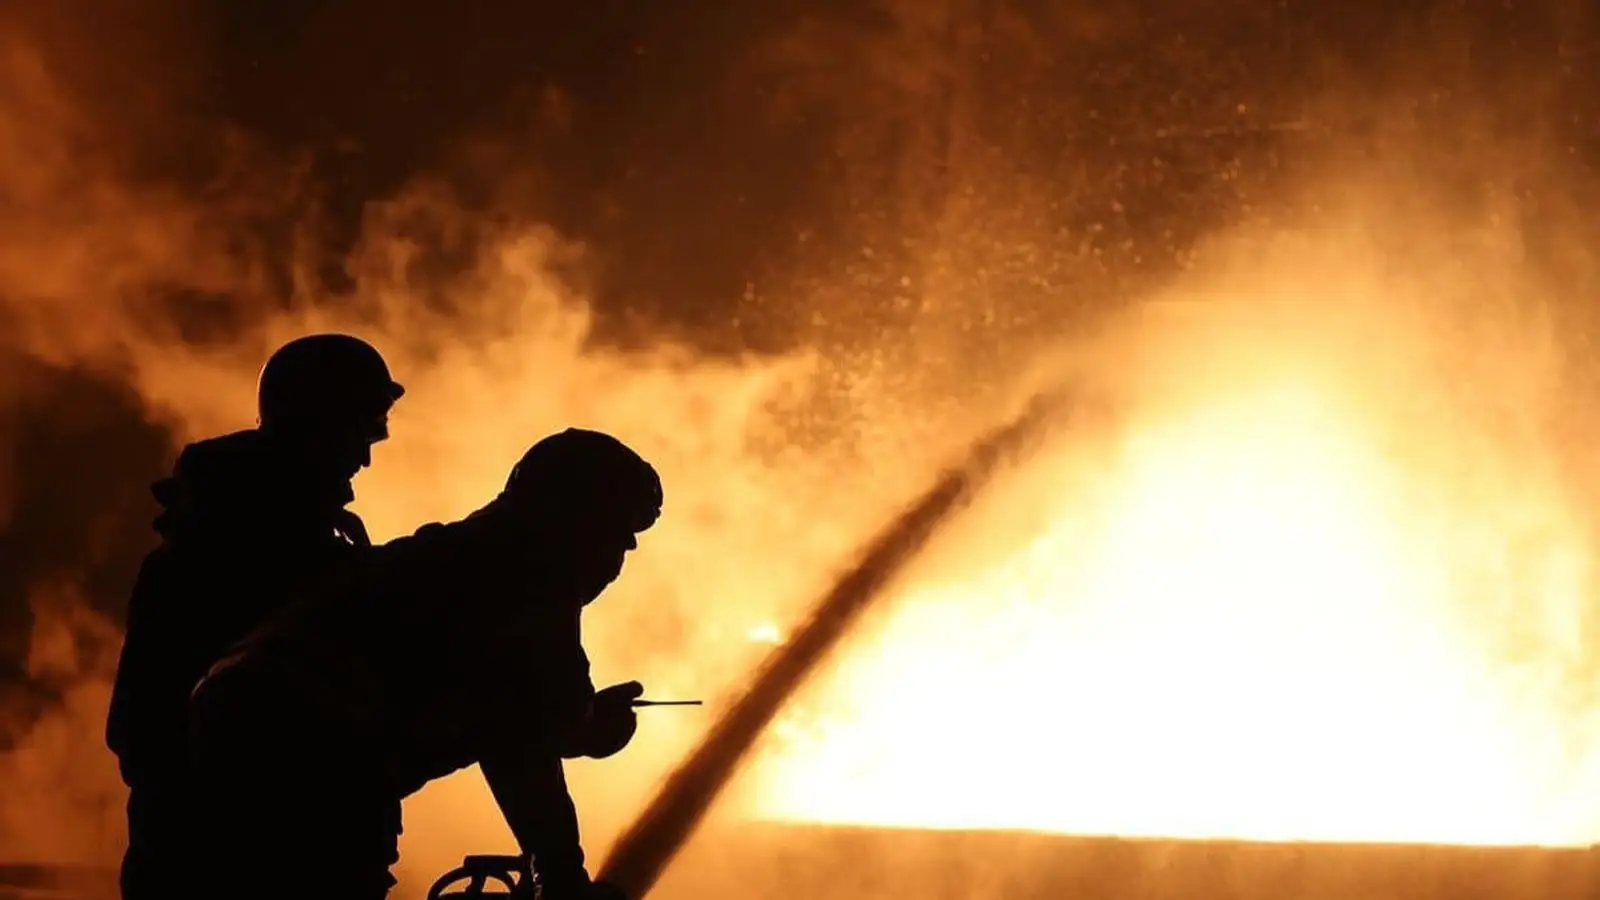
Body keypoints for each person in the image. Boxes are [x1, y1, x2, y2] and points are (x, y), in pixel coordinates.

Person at [187, 428, 663, 900]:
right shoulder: (525, 583)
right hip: (301, 772)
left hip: (238, 752)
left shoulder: (460, 555)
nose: (616, 560)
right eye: (618, 536)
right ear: (577, 521)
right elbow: (521, 737)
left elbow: (519, 716)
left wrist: (578, 725)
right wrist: (562, 876)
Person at [105, 333, 405, 900]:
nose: (364, 459)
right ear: (316, 427)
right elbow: (145, 732)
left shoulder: (319, 552)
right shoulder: (212, 561)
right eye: (357, 436)